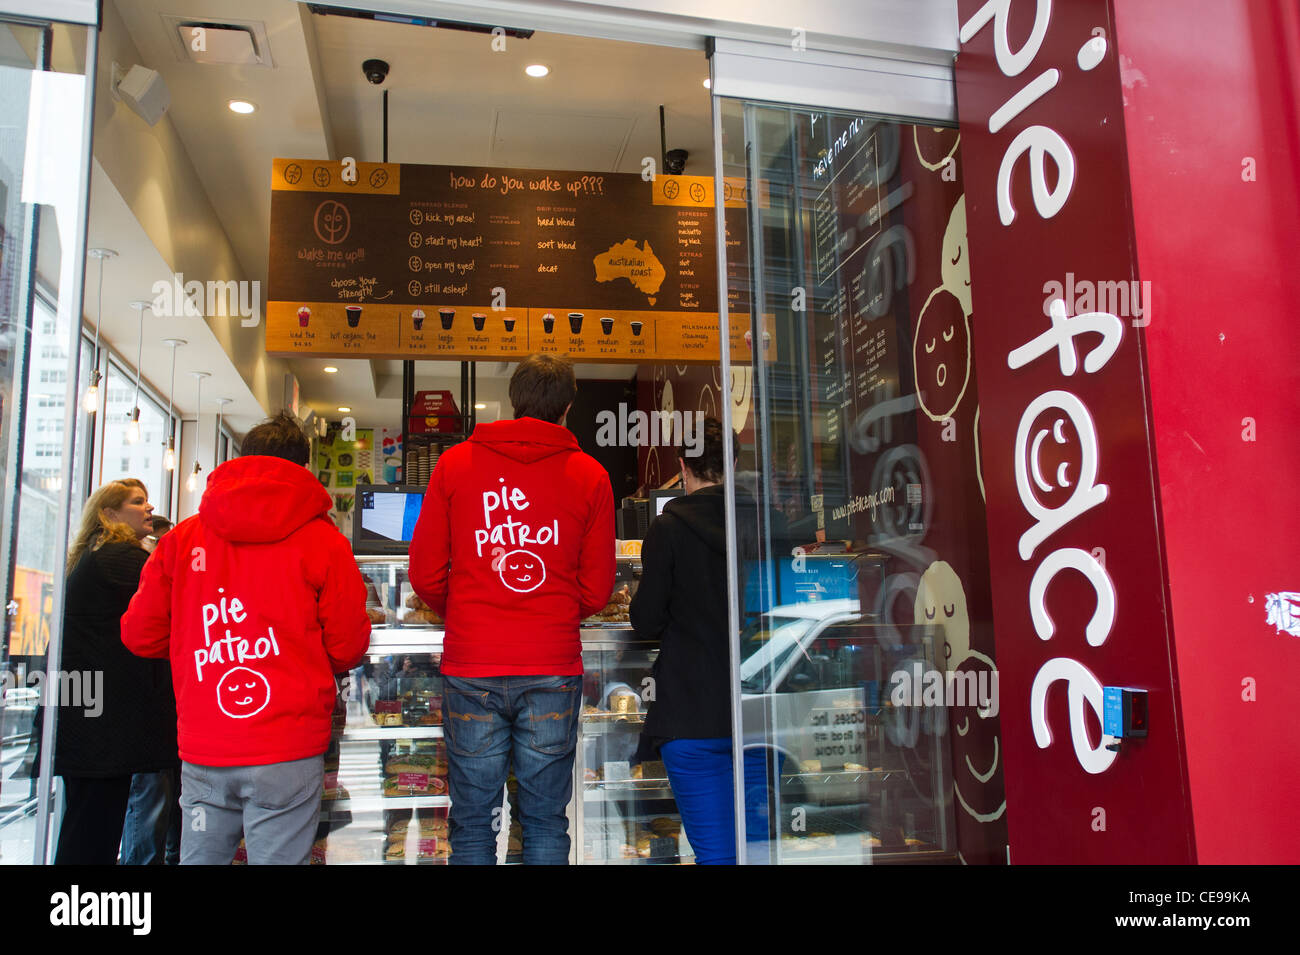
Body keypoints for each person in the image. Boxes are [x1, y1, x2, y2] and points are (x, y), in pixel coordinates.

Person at [122, 411, 371, 865]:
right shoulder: (324, 540)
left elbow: (140, 634)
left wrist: (195, 643)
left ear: (241, 461)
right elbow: (348, 646)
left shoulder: (181, 539)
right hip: (289, 749)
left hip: (205, 744)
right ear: (303, 468)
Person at [409, 353, 615, 865]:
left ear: (512, 401)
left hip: (471, 664)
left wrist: (463, 612)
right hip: (551, 666)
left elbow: (425, 574)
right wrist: (556, 612)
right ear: (568, 406)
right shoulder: (591, 476)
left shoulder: (455, 464)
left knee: (473, 821)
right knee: (545, 820)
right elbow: (596, 589)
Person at [629, 417, 769, 865]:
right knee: (761, 852)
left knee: (717, 856)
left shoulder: (667, 530)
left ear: (683, 467)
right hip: (762, 715)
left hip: (691, 717)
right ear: (732, 463)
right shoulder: (767, 524)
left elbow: (645, 621)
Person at [53, 480, 178, 865]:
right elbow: (173, 599)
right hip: (102, 725)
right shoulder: (121, 558)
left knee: (86, 821)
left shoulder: (94, 554)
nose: (148, 507)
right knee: (94, 830)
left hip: (86, 713)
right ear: (109, 514)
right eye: (137, 502)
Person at [120, 512, 180, 865]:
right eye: (136, 502)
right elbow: (141, 635)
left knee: (158, 795)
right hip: (149, 704)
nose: (145, 508)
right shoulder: (131, 565)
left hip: (149, 704)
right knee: (152, 794)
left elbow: (140, 634)